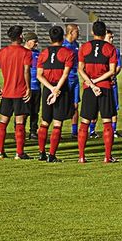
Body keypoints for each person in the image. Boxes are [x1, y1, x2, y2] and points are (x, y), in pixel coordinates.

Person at [77, 21, 118, 163]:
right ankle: (107, 156)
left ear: (92, 32)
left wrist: (91, 83)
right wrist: (97, 81)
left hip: (89, 88)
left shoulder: (84, 47)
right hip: (105, 88)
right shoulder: (110, 48)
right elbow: (112, 71)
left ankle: (81, 156)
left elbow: (80, 69)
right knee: (107, 122)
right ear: (105, 32)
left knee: (85, 122)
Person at [0, 26, 33, 160]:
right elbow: (26, 71)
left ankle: (0, 152)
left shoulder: (3, 52)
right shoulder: (26, 52)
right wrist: (28, 88)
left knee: (3, 121)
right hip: (20, 92)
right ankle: (19, 153)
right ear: (20, 36)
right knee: (20, 122)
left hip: (7, 93)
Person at [36, 26, 74, 163]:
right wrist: (56, 89)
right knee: (57, 123)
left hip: (48, 89)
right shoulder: (68, 53)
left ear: (49, 38)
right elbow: (65, 73)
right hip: (60, 89)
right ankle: (52, 155)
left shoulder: (43, 53)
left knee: (45, 122)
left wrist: (50, 88)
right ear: (63, 37)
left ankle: (41, 153)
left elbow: (39, 75)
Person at [63, 24, 81, 138]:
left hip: (75, 78)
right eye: (77, 32)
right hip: (65, 79)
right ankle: (58, 129)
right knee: (62, 105)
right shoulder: (63, 45)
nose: (78, 34)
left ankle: (74, 132)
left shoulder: (76, 45)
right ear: (71, 32)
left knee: (75, 105)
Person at [104, 29, 122, 138]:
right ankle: (92, 130)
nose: (111, 39)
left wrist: (112, 74)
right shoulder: (101, 50)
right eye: (109, 37)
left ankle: (114, 130)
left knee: (115, 106)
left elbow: (118, 66)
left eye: (112, 37)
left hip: (112, 82)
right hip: (101, 83)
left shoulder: (116, 50)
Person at [23, 32, 41, 140]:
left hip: (36, 87)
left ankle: (33, 131)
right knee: (23, 111)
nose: (36, 44)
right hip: (25, 87)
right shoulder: (22, 53)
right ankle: (20, 130)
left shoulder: (37, 53)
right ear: (28, 41)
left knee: (35, 111)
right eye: (34, 41)